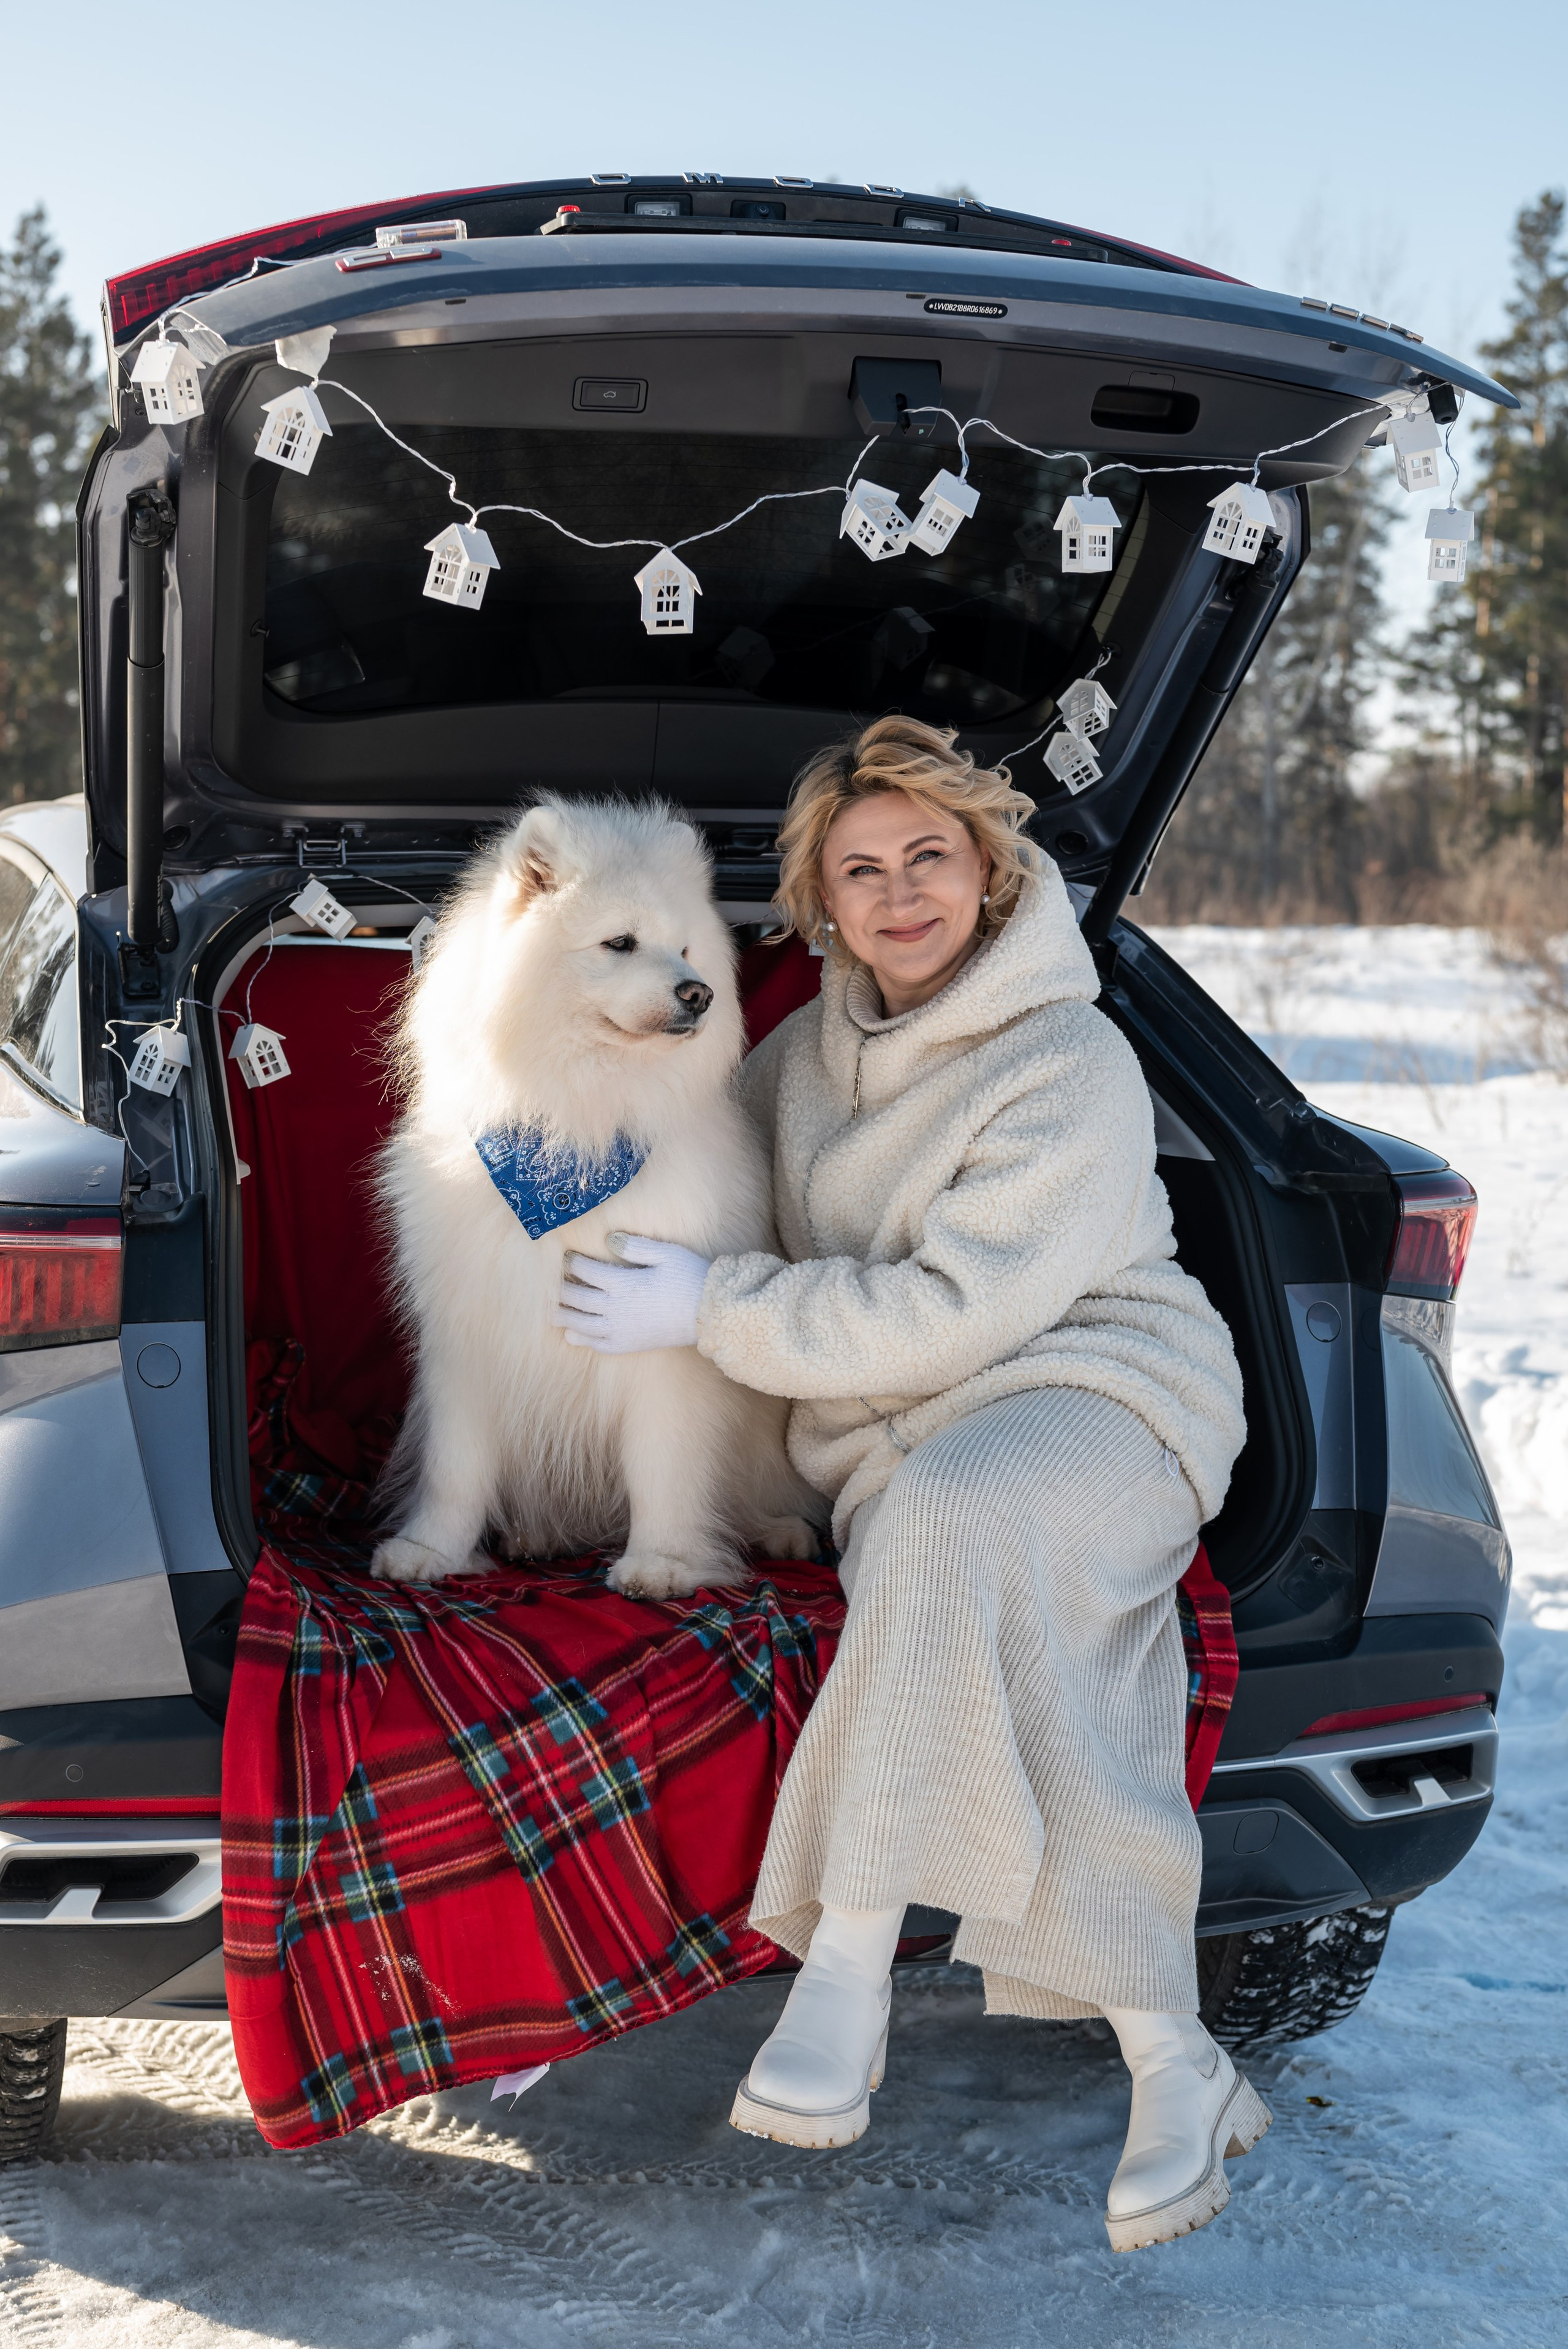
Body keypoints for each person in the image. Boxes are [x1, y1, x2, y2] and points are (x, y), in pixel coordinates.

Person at [554, 715, 1261, 2252]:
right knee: (988, 1593)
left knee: (951, 1527)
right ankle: (1173, 2056)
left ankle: (846, 1968)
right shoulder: (803, 1056)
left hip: (1099, 1391)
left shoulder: (1064, 1055)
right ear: (818, 900)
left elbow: (959, 1311)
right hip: (891, 1434)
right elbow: (682, 1164)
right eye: (858, 870)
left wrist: (714, 1308)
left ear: (987, 871)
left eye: (926, 858)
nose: (897, 894)